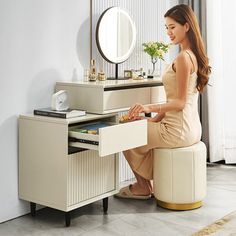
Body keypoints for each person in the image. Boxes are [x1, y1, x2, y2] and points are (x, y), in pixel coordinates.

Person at [115, 4, 211, 199]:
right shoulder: (192, 55)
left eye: (172, 27)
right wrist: (154, 119)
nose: (168, 32)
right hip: (190, 128)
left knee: (122, 131)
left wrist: (147, 108)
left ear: (187, 26)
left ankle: (143, 186)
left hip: (176, 131)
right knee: (136, 126)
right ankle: (149, 181)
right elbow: (175, 102)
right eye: (166, 27)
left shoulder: (184, 58)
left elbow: (180, 103)